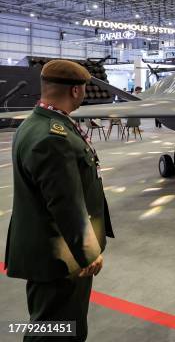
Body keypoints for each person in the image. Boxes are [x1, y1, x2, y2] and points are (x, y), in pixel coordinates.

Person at [4, 60, 114, 341]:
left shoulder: (35, 124)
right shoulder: (54, 136)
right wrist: (88, 251)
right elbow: (64, 202)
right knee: (57, 330)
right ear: (76, 91)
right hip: (61, 257)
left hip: (49, 249)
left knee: (53, 324)